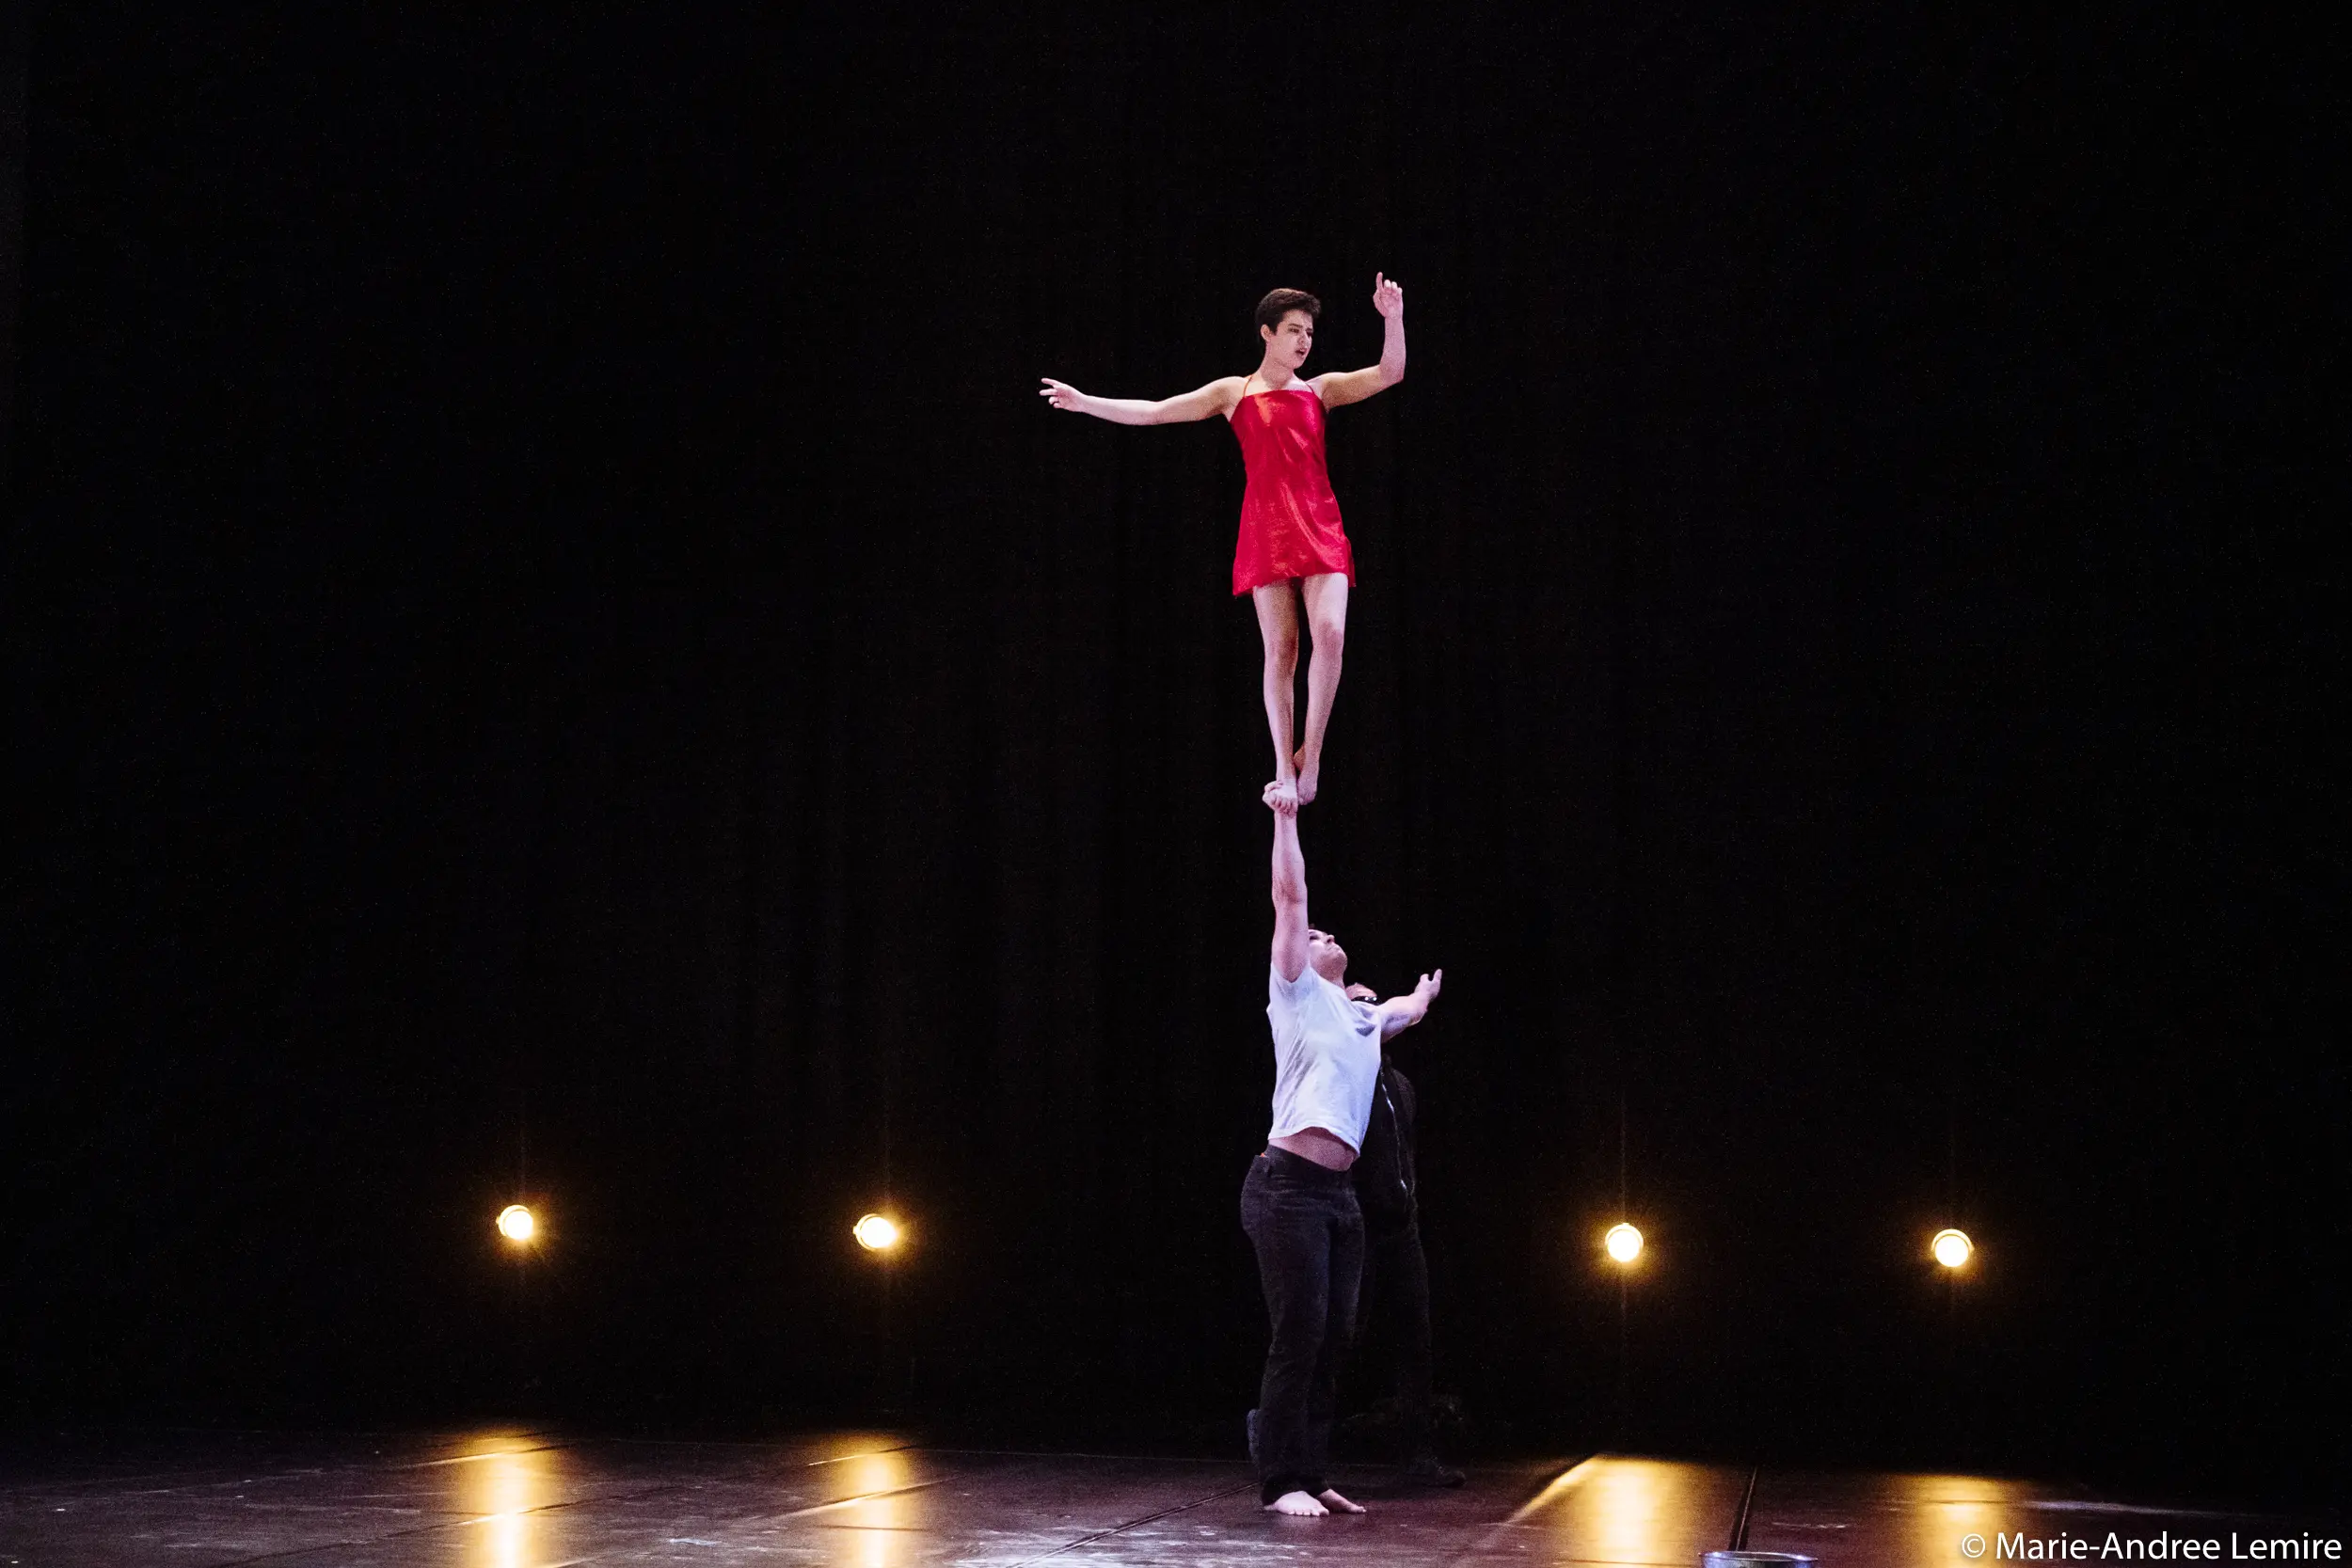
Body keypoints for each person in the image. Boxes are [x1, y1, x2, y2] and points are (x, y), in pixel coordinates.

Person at [1040, 276, 1407, 805]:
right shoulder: (1233, 392)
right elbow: (1156, 410)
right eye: (1295, 331)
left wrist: (1392, 318)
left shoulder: (1319, 390)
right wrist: (1085, 402)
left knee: (1330, 633)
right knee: (1281, 651)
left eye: (1310, 332)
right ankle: (1285, 764)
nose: (1305, 342)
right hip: (1266, 529)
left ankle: (1313, 756)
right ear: (1267, 333)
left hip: (1320, 523)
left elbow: (1390, 372)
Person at [1242, 779, 1441, 1516]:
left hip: (1340, 1197)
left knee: (1334, 1338)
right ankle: (1279, 1480)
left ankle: (1312, 1468)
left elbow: (1404, 1013)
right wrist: (1285, 821)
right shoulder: (1296, 992)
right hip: (1286, 1187)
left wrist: (1420, 999)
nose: (1327, 937)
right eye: (1322, 935)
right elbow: (1289, 900)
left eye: (1331, 936)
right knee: (1298, 1333)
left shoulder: (1363, 1018)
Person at [1342, 979, 1466, 1489]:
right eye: (1360, 1004)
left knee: (1416, 1339)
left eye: (1375, 1002)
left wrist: (1409, 1204)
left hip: (1400, 1226)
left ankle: (1418, 1453)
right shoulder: (1339, 1074)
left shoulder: (1400, 1084)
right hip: (1356, 1223)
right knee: (1339, 1339)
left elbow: (1403, 1154)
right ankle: (1299, 1448)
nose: (1371, 1011)